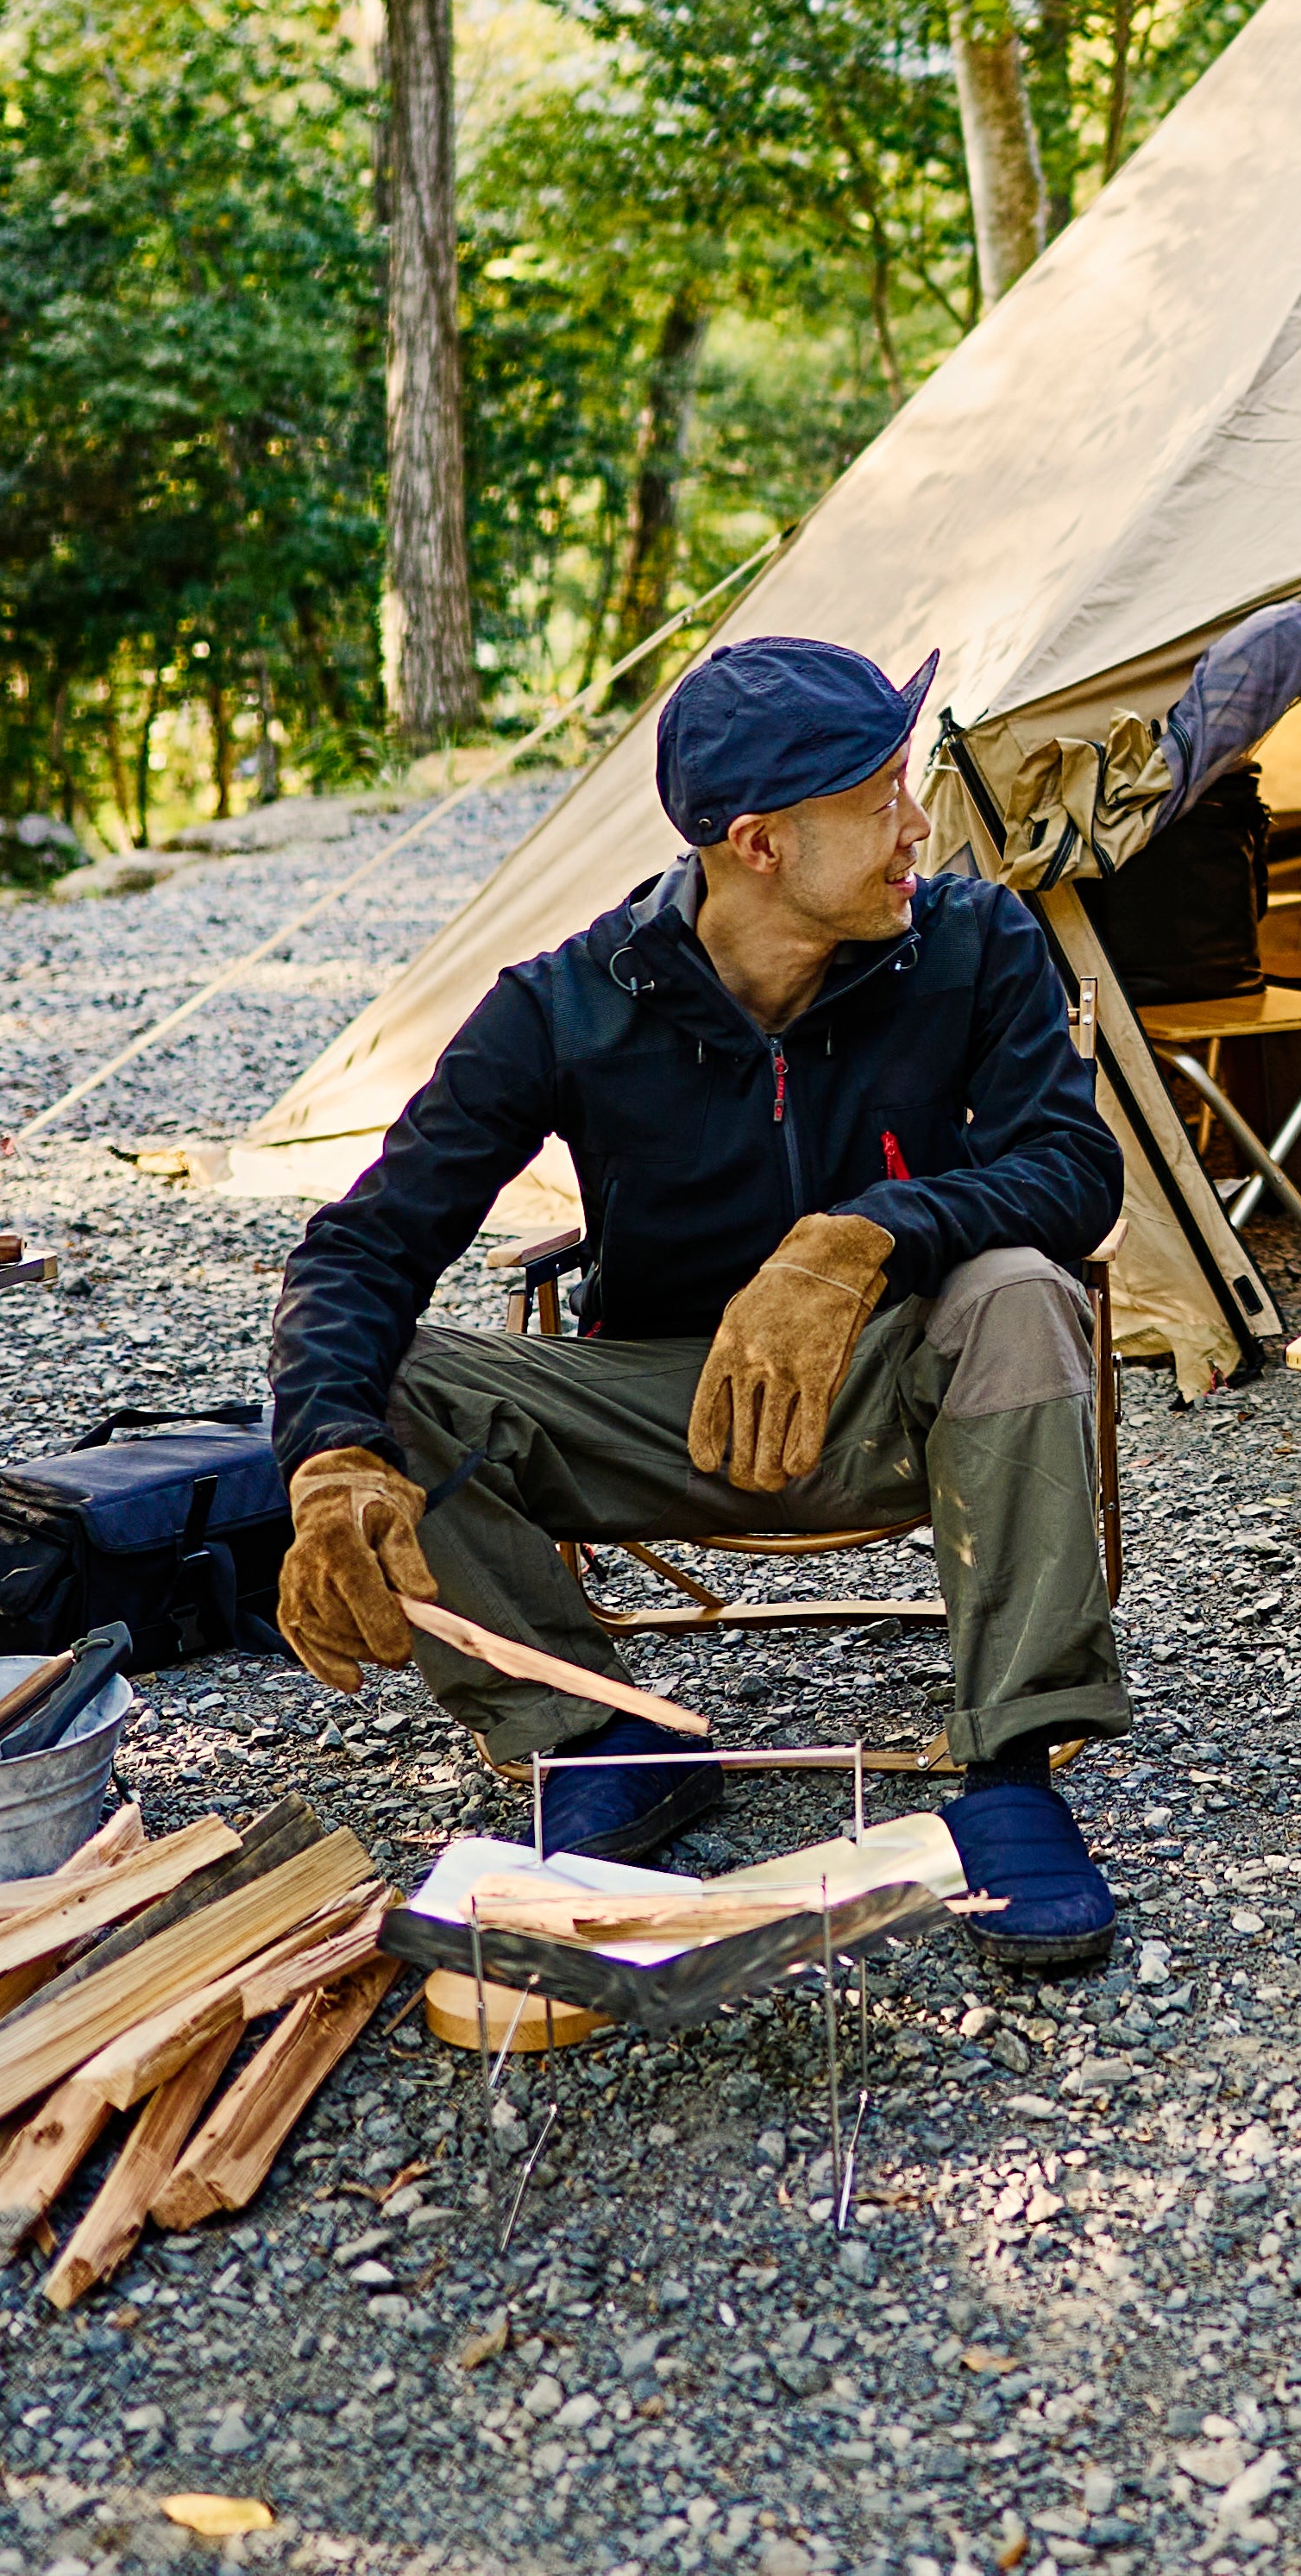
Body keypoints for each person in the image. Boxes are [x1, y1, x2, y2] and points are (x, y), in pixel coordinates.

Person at [261, 633, 1129, 1972]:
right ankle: (597, 1739)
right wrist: (325, 1460)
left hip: (901, 1395)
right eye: (879, 800)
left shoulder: (975, 941)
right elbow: (364, 1247)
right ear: (758, 844)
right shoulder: (565, 1006)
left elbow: (1071, 1170)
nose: (915, 828)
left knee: (1018, 1290)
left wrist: (859, 1239)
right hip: (658, 1412)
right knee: (391, 1383)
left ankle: (1010, 1769)